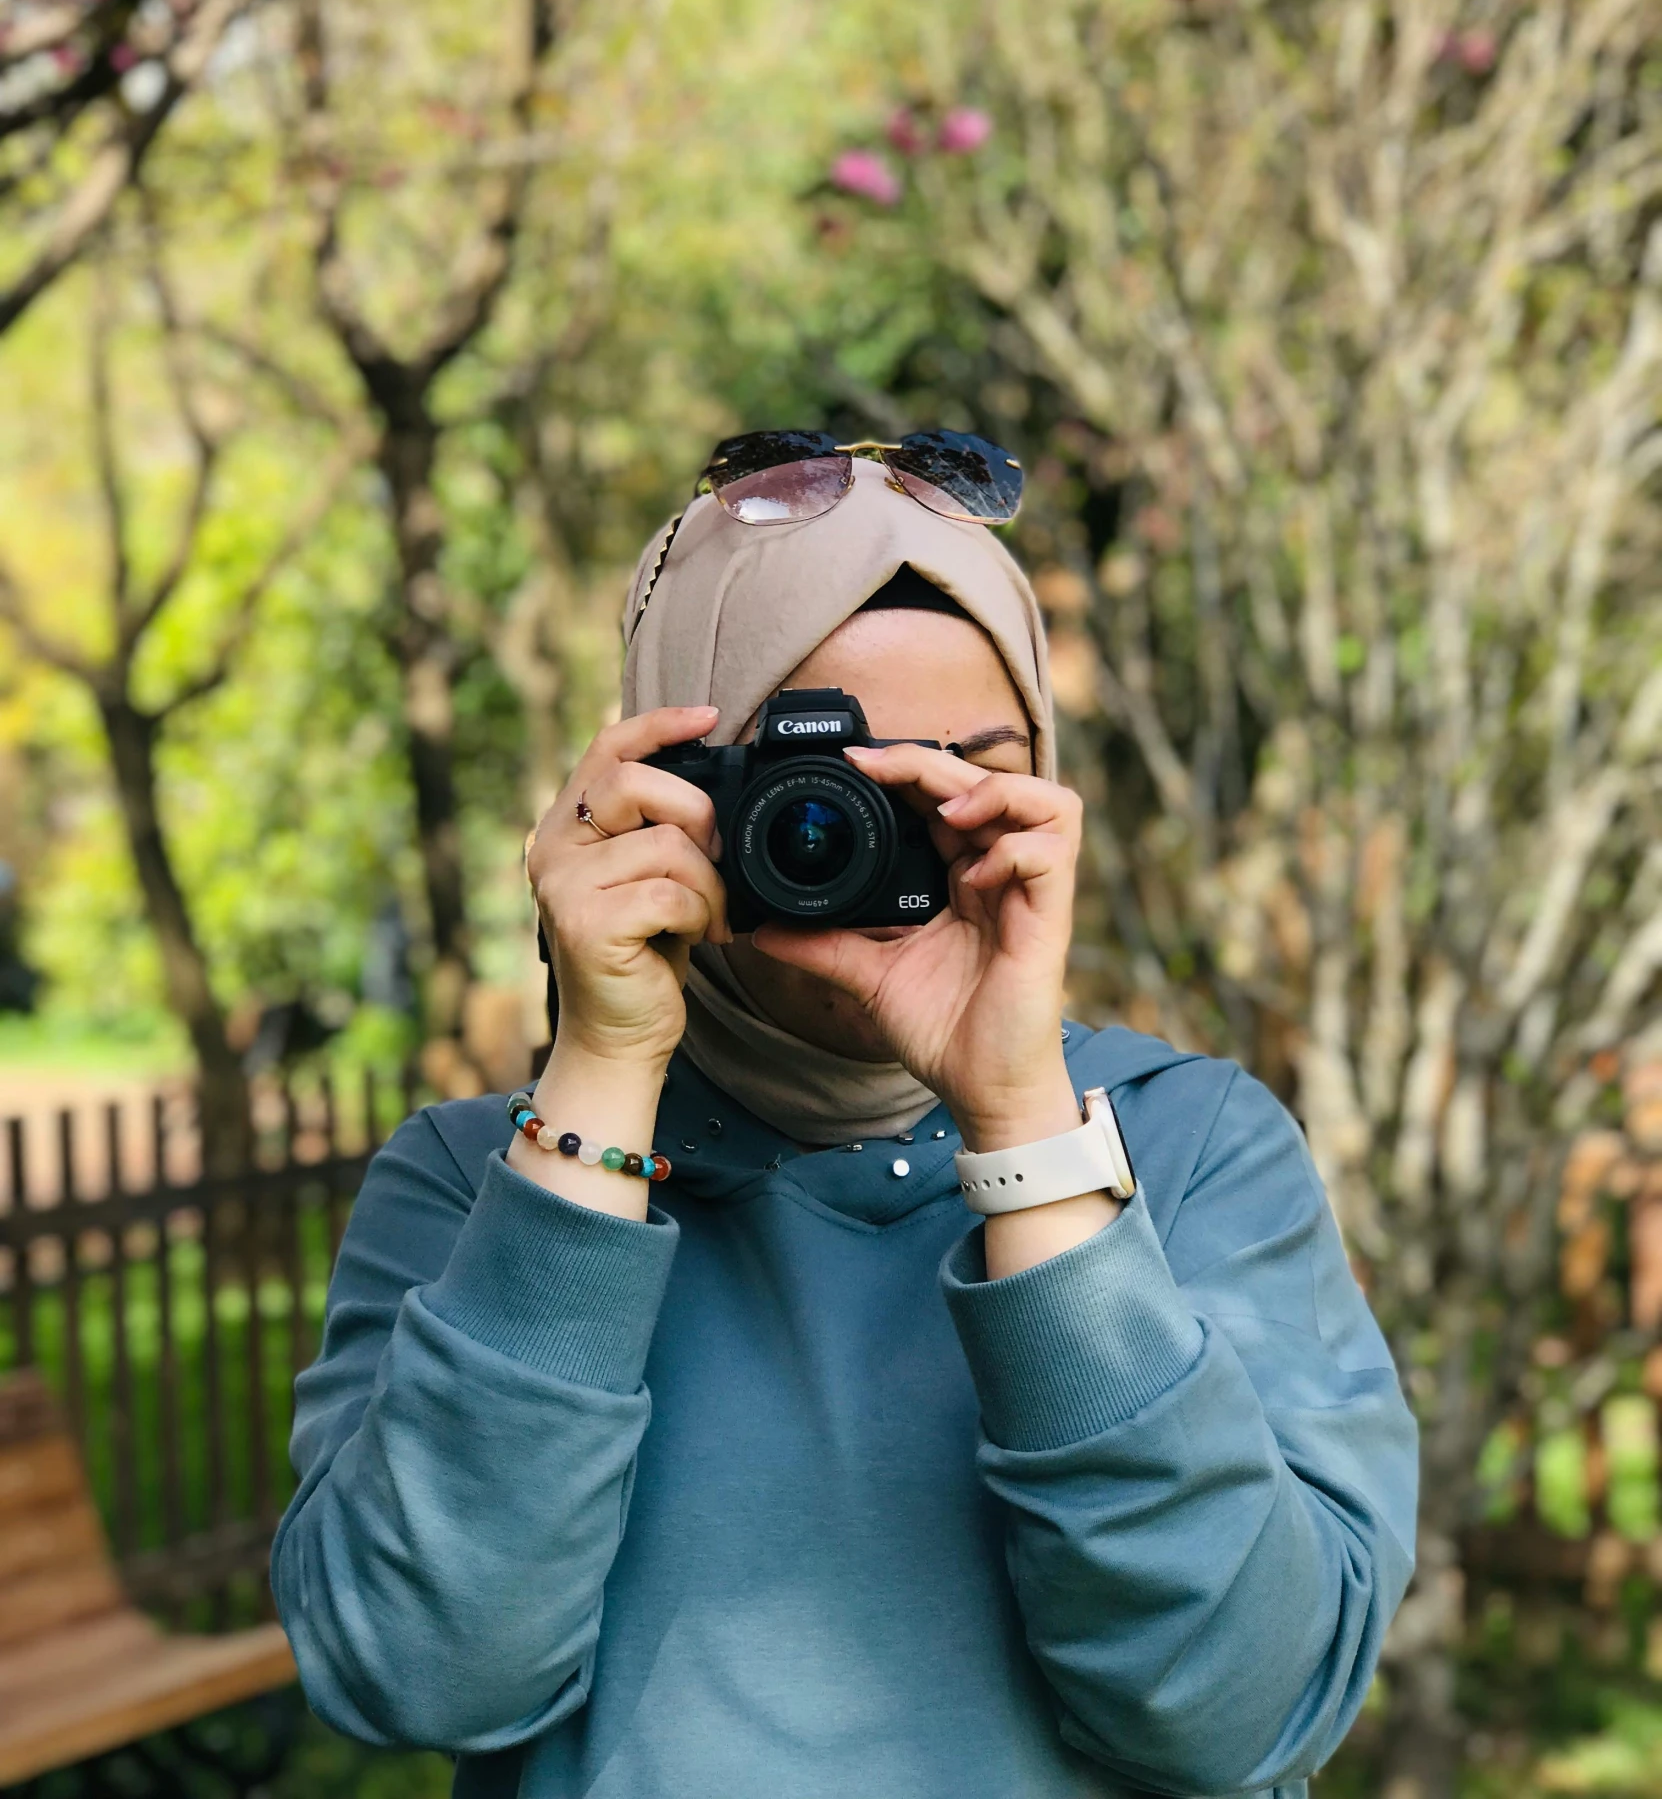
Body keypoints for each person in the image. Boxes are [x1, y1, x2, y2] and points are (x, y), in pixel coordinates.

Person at [273, 443, 1417, 1799]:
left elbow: (1236, 1711)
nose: (869, 838)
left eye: (947, 782)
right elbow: (418, 1675)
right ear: (663, 785)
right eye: (806, 785)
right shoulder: (478, 1188)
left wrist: (1016, 1121)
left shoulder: (1192, 1149)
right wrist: (603, 1067)